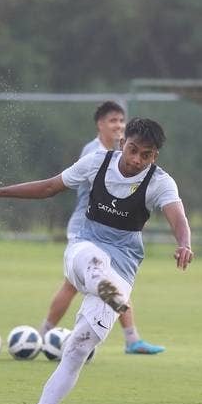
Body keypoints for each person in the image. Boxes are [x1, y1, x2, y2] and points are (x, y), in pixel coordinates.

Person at [0, 118, 193, 404]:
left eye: (145, 155)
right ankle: (110, 293)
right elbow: (49, 187)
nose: (136, 160)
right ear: (123, 144)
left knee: (78, 348)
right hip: (82, 251)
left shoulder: (160, 182)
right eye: (133, 150)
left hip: (122, 269)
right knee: (95, 262)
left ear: (154, 157)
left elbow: (178, 217)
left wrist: (185, 243)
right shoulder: (97, 162)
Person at [39, 101, 164, 355]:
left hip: (110, 229)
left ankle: (131, 339)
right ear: (100, 124)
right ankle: (42, 334)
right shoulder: (94, 152)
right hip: (87, 226)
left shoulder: (131, 156)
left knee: (111, 277)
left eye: (121, 120)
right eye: (112, 121)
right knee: (76, 283)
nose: (118, 125)